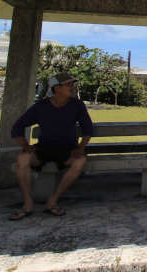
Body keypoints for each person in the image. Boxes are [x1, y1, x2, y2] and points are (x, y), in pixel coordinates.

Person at [8, 71, 94, 220]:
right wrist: (26, 146)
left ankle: (53, 201)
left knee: (80, 162)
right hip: (43, 150)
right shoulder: (41, 107)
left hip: (68, 151)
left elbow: (88, 128)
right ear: (57, 88)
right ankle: (28, 204)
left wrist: (80, 148)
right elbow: (17, 127)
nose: (72, 87)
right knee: (22, 159)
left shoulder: (77, 105)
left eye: (72, 84)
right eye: (69, 84)